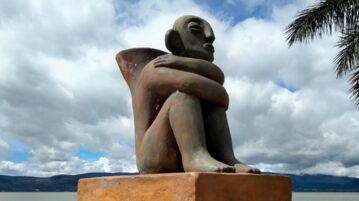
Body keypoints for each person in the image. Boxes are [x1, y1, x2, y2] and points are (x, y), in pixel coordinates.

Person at [117, 15, 260, 174]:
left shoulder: (173, 64)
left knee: (215, 110)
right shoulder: (155, 67)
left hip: (176, 150)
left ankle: (227, 158)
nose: (210, 37)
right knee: (181, 98)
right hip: (152, 156)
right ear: (175, 40)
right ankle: (194, 157)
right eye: (196, 30)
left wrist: (181, 62)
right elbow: (201, 87)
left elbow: (220, 94)